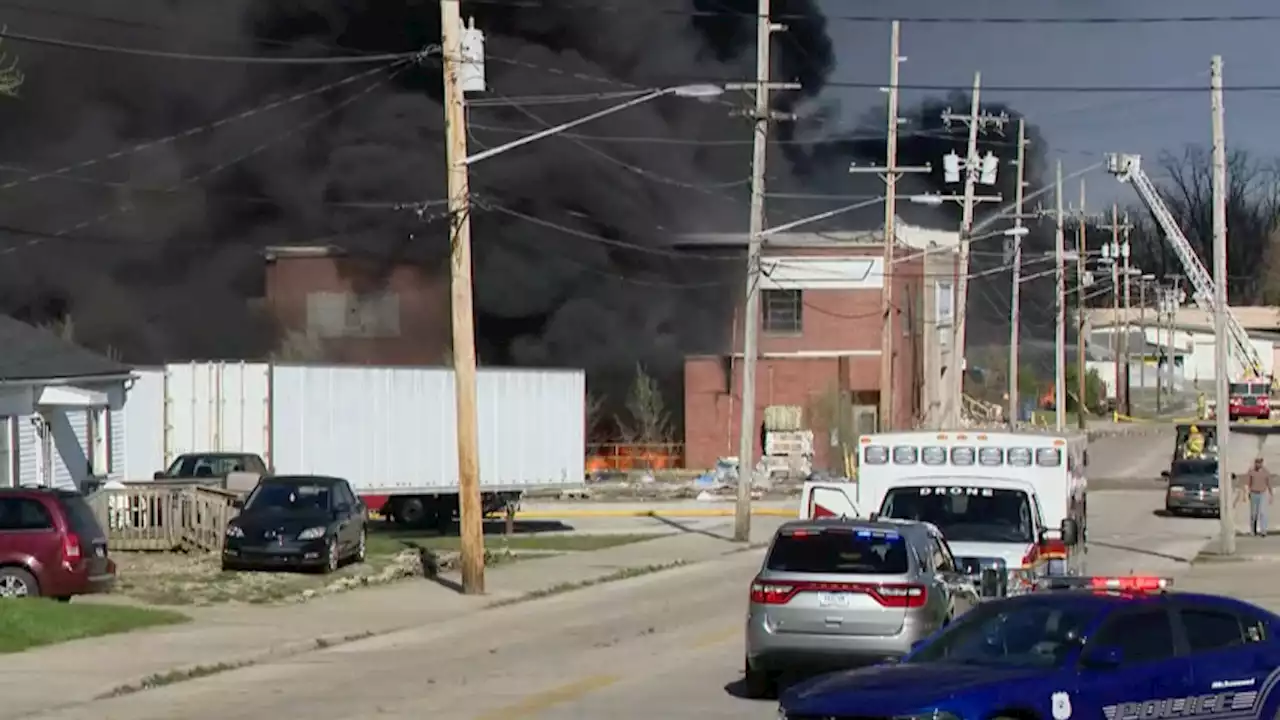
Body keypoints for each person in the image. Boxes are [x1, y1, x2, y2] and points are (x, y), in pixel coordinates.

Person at [1238, 457, 1274, 537]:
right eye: (1257, 462)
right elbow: (1248, 483)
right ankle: (1253, 530)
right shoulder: (1251, 472)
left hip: (1262, 493)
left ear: (1262, 463)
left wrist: (1271, 494)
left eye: (1260, 462)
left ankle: (1263, 531)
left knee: (1263, 512)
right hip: (1254, 493)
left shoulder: (1265, 472)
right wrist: (1246, 494)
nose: (1258, 464)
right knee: (1254, 513)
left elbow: (1269, 484)